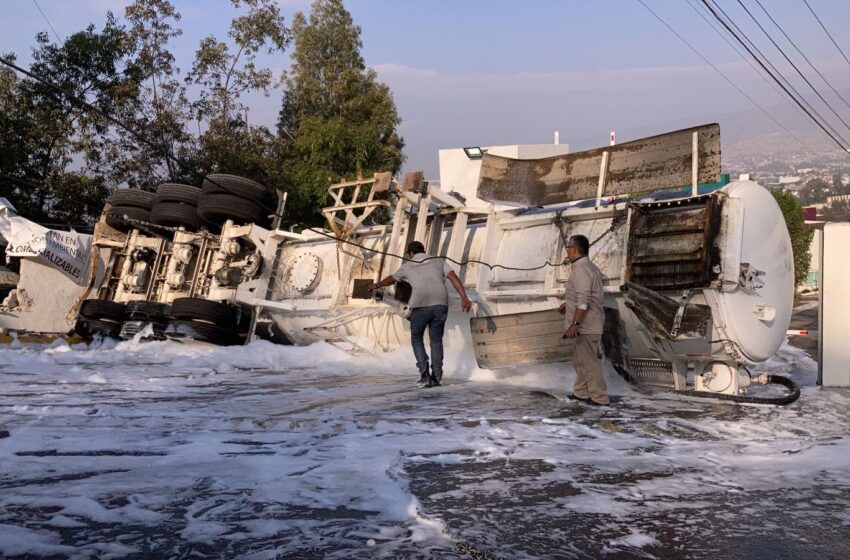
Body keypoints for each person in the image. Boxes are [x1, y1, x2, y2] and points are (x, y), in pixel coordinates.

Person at [369, 241, 472, 387]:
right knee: (436, 340)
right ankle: (437, 376)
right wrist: (464, 298)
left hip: (420, 305)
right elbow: (453, 277)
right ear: (424, 250)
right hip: (440, 304)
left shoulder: (407, 265)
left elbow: (391, 279)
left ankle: (424, 374)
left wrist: (376, 285)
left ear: (410, 253)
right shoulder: (438, 260)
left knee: (417, 337)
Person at [559, 234, 609, 406]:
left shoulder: (581, 270)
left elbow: (584, 301)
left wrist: (575, 323)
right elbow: (583, 295)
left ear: (574, 249)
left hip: (586, 326)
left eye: (568, 248)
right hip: (589, 323)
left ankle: (600, 399)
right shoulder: (588, 267)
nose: (567, 251)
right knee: (580, 361)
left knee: (589, 363)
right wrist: (568, 303)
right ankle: (581, 393)